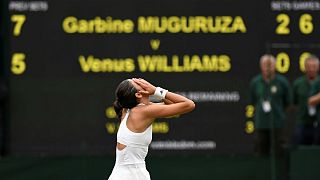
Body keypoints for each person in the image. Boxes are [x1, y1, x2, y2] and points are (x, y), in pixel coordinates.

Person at [107, 78, 195, 180]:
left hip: (121, 175)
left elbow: (171, 105)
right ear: (138, 94)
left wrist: (156, 92)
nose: (142, 81)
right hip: (133, 175)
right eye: (138, 83)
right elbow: (189, 104)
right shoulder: (144, 111)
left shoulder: (128, 110)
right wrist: (156, 91)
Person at [249, 54, 291, 156]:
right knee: (260, 150)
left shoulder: (282, 82)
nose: (268, 68)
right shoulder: (255, 82)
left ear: (275, 66)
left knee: (280, 151)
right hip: (261, 124)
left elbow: (288, 102)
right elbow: (253, 101)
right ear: (261, 66)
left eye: (270, 65)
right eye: (265, 65)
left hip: (278, 123)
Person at [293, 55, 319, 145]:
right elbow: (294, 102)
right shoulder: (298, 83)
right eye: (309, 66)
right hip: (302, 121)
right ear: (305, 67)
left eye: (314, 66)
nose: (311, 69)